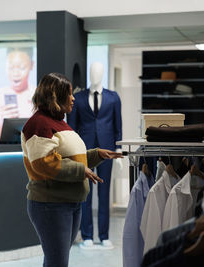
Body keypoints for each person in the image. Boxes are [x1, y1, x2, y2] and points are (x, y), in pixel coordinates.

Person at [21, 72, 123, 267]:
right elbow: (43, 163)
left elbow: (71, 157)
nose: (73, 98)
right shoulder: (39, 123)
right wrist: (80, 170)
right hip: (51, 204)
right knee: (57, 262)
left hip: (67, 203)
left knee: (56, 261)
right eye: (68, 93)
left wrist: (97, 155)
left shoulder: (59, 122)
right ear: (55, 96)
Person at [67, 62, 122, 250]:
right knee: (85, 193)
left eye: (98, 71)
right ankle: (87, 235)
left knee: (105, 193)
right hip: (84, 150)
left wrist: (118, 150)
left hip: (107, 150)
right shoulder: (78, 98)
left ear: (103, 73)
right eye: (92, 71)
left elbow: (117, 127)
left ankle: (104, 235)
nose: (95, 74)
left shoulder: (113, 98)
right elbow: (72, 128)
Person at [0, 47, 36, 144]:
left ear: (32, 65)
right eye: (11, 67)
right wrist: (3, 122)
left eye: (22, 68)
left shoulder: (39, 94)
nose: (16, 73)